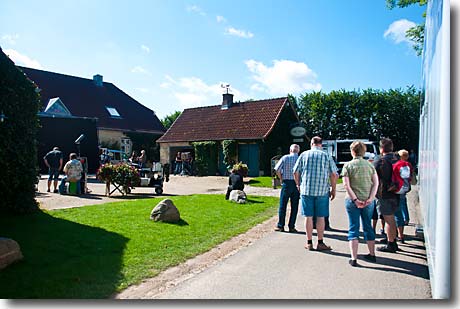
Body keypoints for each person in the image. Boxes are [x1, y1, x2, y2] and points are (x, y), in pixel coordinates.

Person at [293, 136, 338, 251]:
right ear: (321, 144)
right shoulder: (326, 155)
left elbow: (295, 171)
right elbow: (333, 174)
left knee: (308, 217)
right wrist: (333, 189)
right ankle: (320, 242)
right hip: (322, 190)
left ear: (311, 144)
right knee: (320, 217)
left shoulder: (304, 154)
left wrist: (298, 184)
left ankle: (309, 242)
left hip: (306, 190)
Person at [341, 141, 379, 266]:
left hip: (352, 201)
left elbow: (346, 185)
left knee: (353, 227)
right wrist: (371, 198)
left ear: (352, 151)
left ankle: (354, 258)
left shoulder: (348, 166)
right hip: (368, 200)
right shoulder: (370, 166)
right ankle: (372, 254)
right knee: (368, 226)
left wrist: (355, 199)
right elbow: (376, 183)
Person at [374, 138, 400, 253]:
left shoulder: (381, 161)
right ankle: (392, 239)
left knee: (388, 218)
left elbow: (373, 174)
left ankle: (391, 244)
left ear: (381, 148)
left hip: (385, 192)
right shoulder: (397, 159)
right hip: (396, 192)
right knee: (392, 217)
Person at [274, 144, 300, 233]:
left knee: (283, 205)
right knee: (294, 206)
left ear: (290, 150)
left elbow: (277, 169)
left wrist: (281, 178)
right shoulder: (300, 159)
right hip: (297, 184)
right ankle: (291, 226)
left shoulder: (285, 158)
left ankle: (280, 225)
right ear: (298, 151)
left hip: (286, 182)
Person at [393, 149, 414, 242]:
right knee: (404, 204)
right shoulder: (408, 165)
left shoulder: (397, 165)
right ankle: (406, 218)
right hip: (405, 187)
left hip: (398, 189)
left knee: (396, 212)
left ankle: (399, 234)